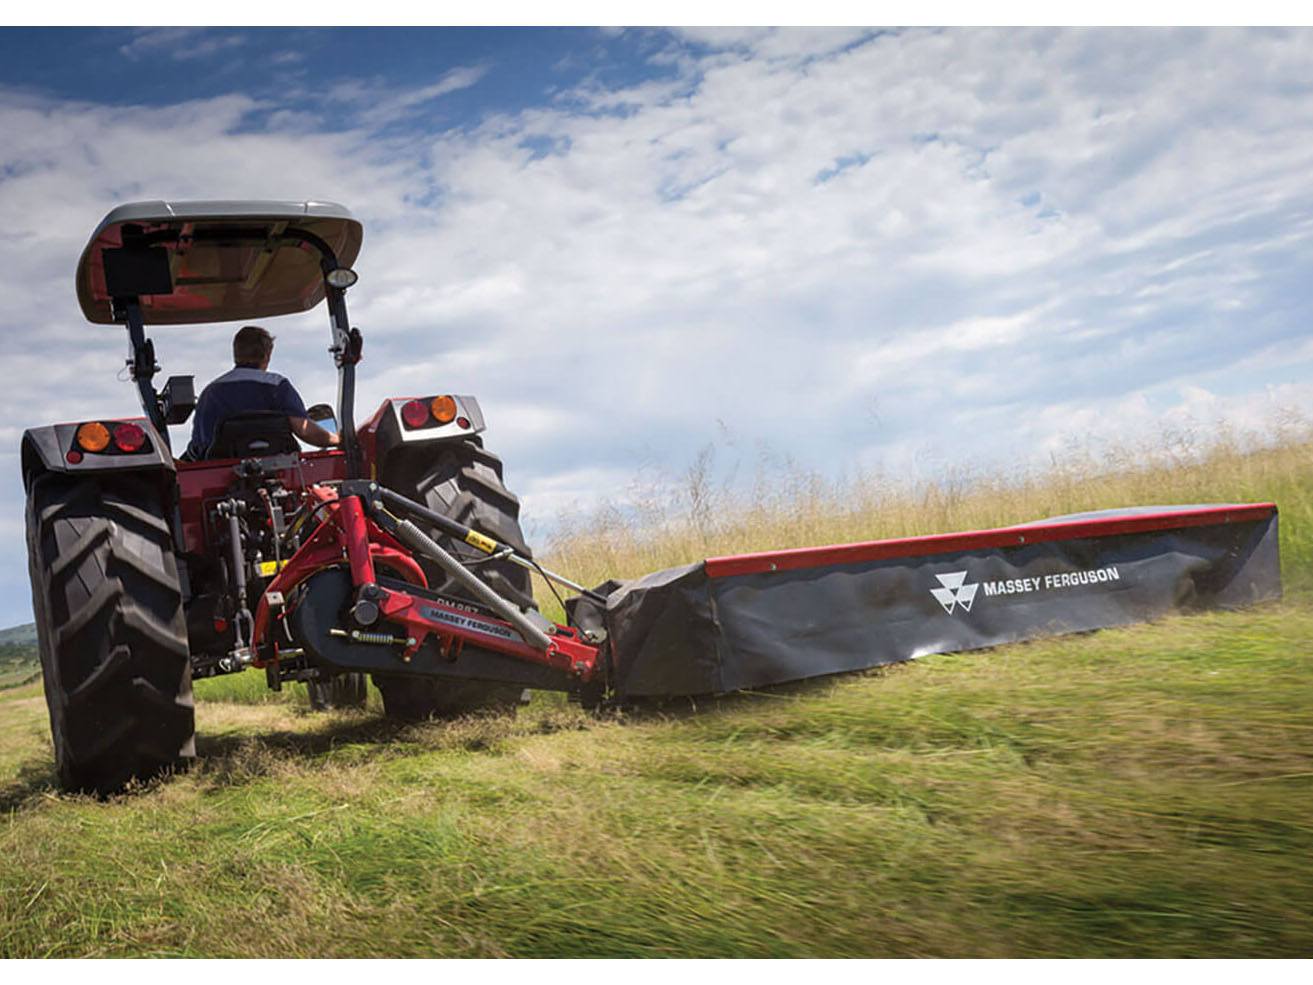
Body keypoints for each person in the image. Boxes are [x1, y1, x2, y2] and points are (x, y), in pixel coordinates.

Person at [184, 325, 340, 460]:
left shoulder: (211, 393)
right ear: (267, 355)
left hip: (221, 481)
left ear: (236, 353)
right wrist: (338, 439)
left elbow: (200, 447)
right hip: (280, 474)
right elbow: (304, 430)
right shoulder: (278, 386)